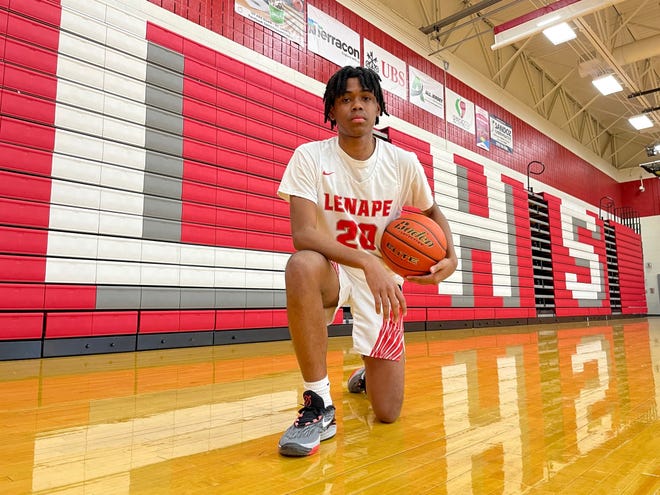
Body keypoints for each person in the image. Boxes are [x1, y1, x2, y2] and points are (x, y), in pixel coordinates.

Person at [276, 66, 457, 457]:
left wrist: (452, 258)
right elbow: (303, 234)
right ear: (332, 110)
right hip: (334, 269)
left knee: (388, 412)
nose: (356, 105)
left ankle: (369, 370)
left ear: (378, 108)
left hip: (383, 281)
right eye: (345, 99)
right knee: (301, 264)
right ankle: (318, 402)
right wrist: (366, 262)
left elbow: (432, 212)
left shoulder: (403, 161)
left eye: (365, 98)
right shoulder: (309, 156)